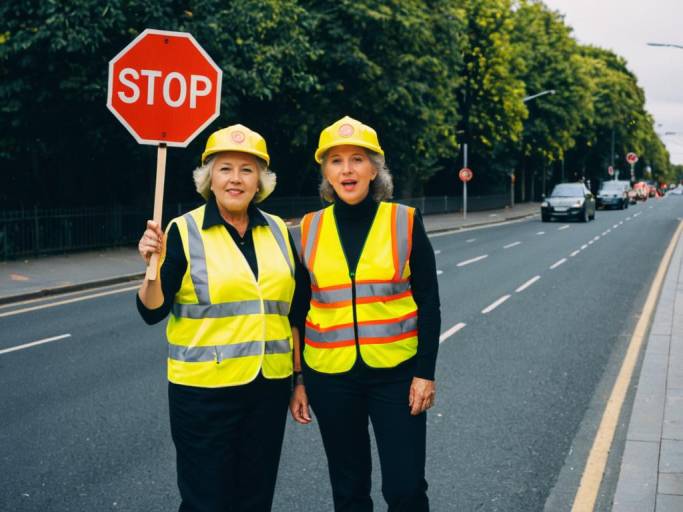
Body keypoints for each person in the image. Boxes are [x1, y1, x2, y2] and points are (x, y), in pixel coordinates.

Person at [137, 124, 304, 512]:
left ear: (260, 181)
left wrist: (299, 380)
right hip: (203, 394)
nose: (235, 179)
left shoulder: (278, 230)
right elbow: (152, 310)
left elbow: (295, 311)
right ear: (209, 178)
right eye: (225, 168)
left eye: (247, 170)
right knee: (206, 502)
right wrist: (150, 269)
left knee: (255, 499)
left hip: (268, 387)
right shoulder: (182, 231)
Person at [289, 116, 441, 511]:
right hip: (331, 377)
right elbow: (298, 312)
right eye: (336, 160)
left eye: (357, 159)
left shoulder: (404, 221)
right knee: (349, 489)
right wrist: (300, 380)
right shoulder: (307, 229)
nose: (347, 169)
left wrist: (425, 373)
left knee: (406, 489)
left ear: (375, 168)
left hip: (397, 375)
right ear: (326, 171)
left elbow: (429, 301)